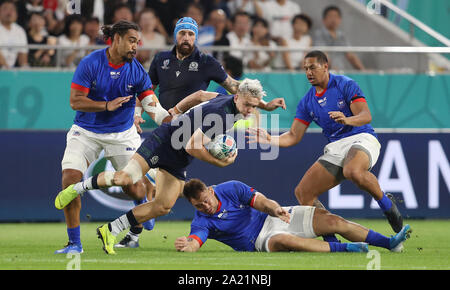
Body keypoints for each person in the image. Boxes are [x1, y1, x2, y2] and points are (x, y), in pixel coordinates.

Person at [54, 78, 286, 255]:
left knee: (163, 206)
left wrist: (265, 106)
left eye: (253, 106)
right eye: (247, 105)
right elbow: (193, 146)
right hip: (164, 143)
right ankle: (77, 188)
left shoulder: (226, 98)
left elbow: (199, 94)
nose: (249, 110)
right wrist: (222, 162)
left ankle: (110, 230)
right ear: (237, 98)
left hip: (178, 157)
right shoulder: (222, 115)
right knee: (125, 179)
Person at [247, 51, 403, 238]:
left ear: (325, 66)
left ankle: (386, 203)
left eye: (312, 67)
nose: (308, 72)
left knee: (352, 171)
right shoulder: (307, 101)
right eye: (305, 69)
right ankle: (330, 236)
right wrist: (270, 139)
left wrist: (347, 120)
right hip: (336, 147)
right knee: (304, 193)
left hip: (361, 137)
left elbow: (365, 116)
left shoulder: (345, 84)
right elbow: (294, 136)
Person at [53, 20, 172, 254]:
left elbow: (152, 106)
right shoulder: (91, 63)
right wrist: (106, 106)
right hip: (86, 132)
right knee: (69, 180)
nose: (135, 47)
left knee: (134, 188)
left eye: (137, 42)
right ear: (115, 39)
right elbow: (75, 101)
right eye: (131, 40)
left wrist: (173, 122)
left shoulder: (136, 70)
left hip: (122, 134)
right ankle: (74, 244)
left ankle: (141, 203)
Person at [175, 178, 411, 253]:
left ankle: (389, 243)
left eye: (205, 200)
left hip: (272, 218)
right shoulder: (201, 221)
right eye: (198, 205)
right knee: (283, 240)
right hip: (259, 242)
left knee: (332, 221)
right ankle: (348, 249)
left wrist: (275, 208)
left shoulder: (231, 188)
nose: (204, 207)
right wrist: (188, 245)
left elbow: (262, 201)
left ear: (211, 191)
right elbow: (196, 240)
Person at [148, 17, 241, 113]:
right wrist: (137, 114)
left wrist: (252, 90)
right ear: (176, 35)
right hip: (165, 122)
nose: (186, 38)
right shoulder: (160, 58)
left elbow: (233, 86)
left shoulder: (207, 62)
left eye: (191, 34)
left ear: (195, 37)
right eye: (182, 33)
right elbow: (146, 91)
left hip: (194, 124)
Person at [313, 5, 365, 71]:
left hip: (341, 71)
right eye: (330, 16)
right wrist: (331, 68)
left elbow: (351, 55)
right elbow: (323, 54)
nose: (333, 19)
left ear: (340, 20)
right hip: (325, 73)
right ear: (324, 20)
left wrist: (363, 70)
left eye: (336, 17)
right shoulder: (319, 34)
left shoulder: (342, 36)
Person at [0, 0, 28, 68]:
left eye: (12, 9)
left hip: (10, 70)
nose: (9, 12)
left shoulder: (19, 31)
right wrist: (6, 68)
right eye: (5, 9)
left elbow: (22, 54)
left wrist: (24, 68)